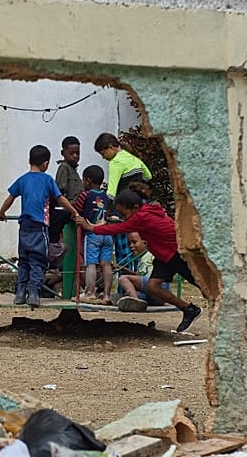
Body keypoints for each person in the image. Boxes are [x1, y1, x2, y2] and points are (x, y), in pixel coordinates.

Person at [78, 189, 202, 333]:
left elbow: (119, 229)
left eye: (125, 214)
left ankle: (224, 313)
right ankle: (188, 309)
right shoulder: (146, 212)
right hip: (164, 256)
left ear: (135, 208)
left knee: (204, 286)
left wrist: (90, 227)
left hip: (178, 254)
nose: (124, 218)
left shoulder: (142, 217)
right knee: (152, 287)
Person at [0, 145, 79, 308]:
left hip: (24, 227)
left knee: (24, 260)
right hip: (40, 227)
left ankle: (20, 293)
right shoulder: (47, 179)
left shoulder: (22, 179)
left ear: (29, 160)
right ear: (46, 164)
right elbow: (60, 198)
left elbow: (10, 198)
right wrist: (74, 211)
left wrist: (1, 212)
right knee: (38, 260)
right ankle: (34, 292)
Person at [75, 164, 115, 303]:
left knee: (91, 264)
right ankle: (107, 295)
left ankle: (90, 293)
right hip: (107, 234)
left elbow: (75, 210)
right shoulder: (106, 197)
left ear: (87, 180)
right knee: (106, 264)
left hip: (92, 234)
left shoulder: (84, 195)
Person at [94, 132, 151, 198]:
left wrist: (105, 205)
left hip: (125, 203)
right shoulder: (133, 157)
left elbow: (111, 193)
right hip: (139, 202)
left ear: (110, 147)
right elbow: (148, 176)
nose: (103, 157)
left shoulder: (115, 162)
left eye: (103, 154)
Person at [49, 136, 83, 246]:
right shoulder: (64, 168)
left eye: (77, 153)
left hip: (74, 213)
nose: (75, 156)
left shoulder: (73, 169)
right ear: (63, 153)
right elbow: (59, 193)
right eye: (71, 153)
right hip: (67, 213)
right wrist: (70, 210)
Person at [115, 232, 158, 312]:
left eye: (134, 242)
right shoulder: (140, 258)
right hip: (154, 297)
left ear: (145, 243)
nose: (131, 246)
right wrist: (124, 269)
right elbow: (139, 276)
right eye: (129, 243)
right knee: (128, 293)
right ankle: (126, 299)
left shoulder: (151, 254)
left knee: (123, 278)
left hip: (157, 289)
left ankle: (135, 301)